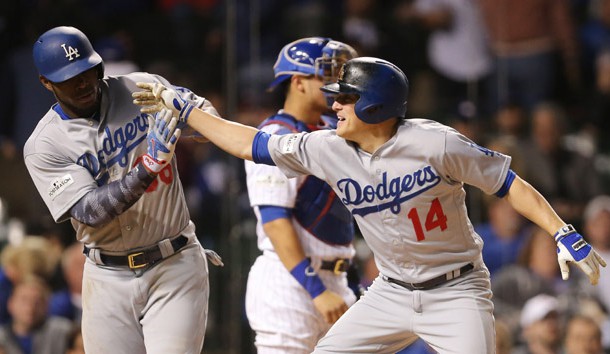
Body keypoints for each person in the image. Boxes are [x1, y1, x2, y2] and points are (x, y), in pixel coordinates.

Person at [133, 56, 606, 353]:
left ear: (376, 107)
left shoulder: (436, 143)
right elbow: (251, 145)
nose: (334, 105)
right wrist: (186, 111)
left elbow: (508, 183)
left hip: (456, 291)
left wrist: (562, 230)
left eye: (345, 98)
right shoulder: (326, 147)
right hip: (392, 292)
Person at [23, 26, 222, 354]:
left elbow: (209, 124)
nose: (83, 82)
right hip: (107, 277)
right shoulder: (44, 144)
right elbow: (90, 211)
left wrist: (184, 112)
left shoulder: (141, 87)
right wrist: (148, 166)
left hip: (174, 262)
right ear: (46, 82)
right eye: (69, 77)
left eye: (86, 71)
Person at [243, 37, 359, 353]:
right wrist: (316, 290)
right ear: (298, 82)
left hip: (337, 280)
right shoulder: (274, 136)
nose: (337, 84)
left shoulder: (333, 130)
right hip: (291, 284)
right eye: (327, 76)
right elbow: (274, 221)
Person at [0, 275, 73, 354]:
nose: (30, 307)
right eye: (24, 300)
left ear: (46, 305)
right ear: (10, 303)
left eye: (37, 302)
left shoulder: (65, 333)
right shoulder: (1, 338)